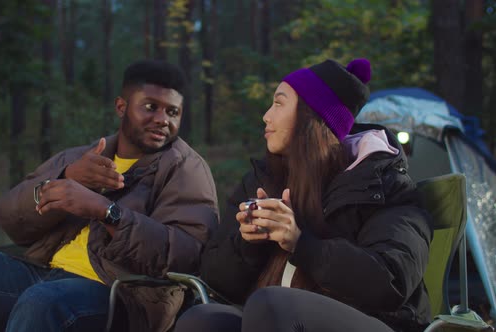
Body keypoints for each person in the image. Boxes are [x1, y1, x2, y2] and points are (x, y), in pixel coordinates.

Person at [0, 60, 219, 332]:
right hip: (38, 273)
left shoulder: (186, 169)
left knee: (41, 302)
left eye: (173, 112)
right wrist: (65, 178)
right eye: (150, 106)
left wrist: (107, 212)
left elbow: (186, 253)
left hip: (118, 295)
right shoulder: (82, 156)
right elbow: (10, 218)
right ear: (121, 106)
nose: (163, 119)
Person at [174, 58, 432, 332]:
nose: (266, 116)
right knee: (201, 321)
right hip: (274, 314)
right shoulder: (262, 181)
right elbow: (217, 280)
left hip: (376, 322)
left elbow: (390, 281)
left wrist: (301, 244)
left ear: (312, 115)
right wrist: (249, 243)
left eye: (279, 102)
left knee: (271, 305)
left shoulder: (383, 185)